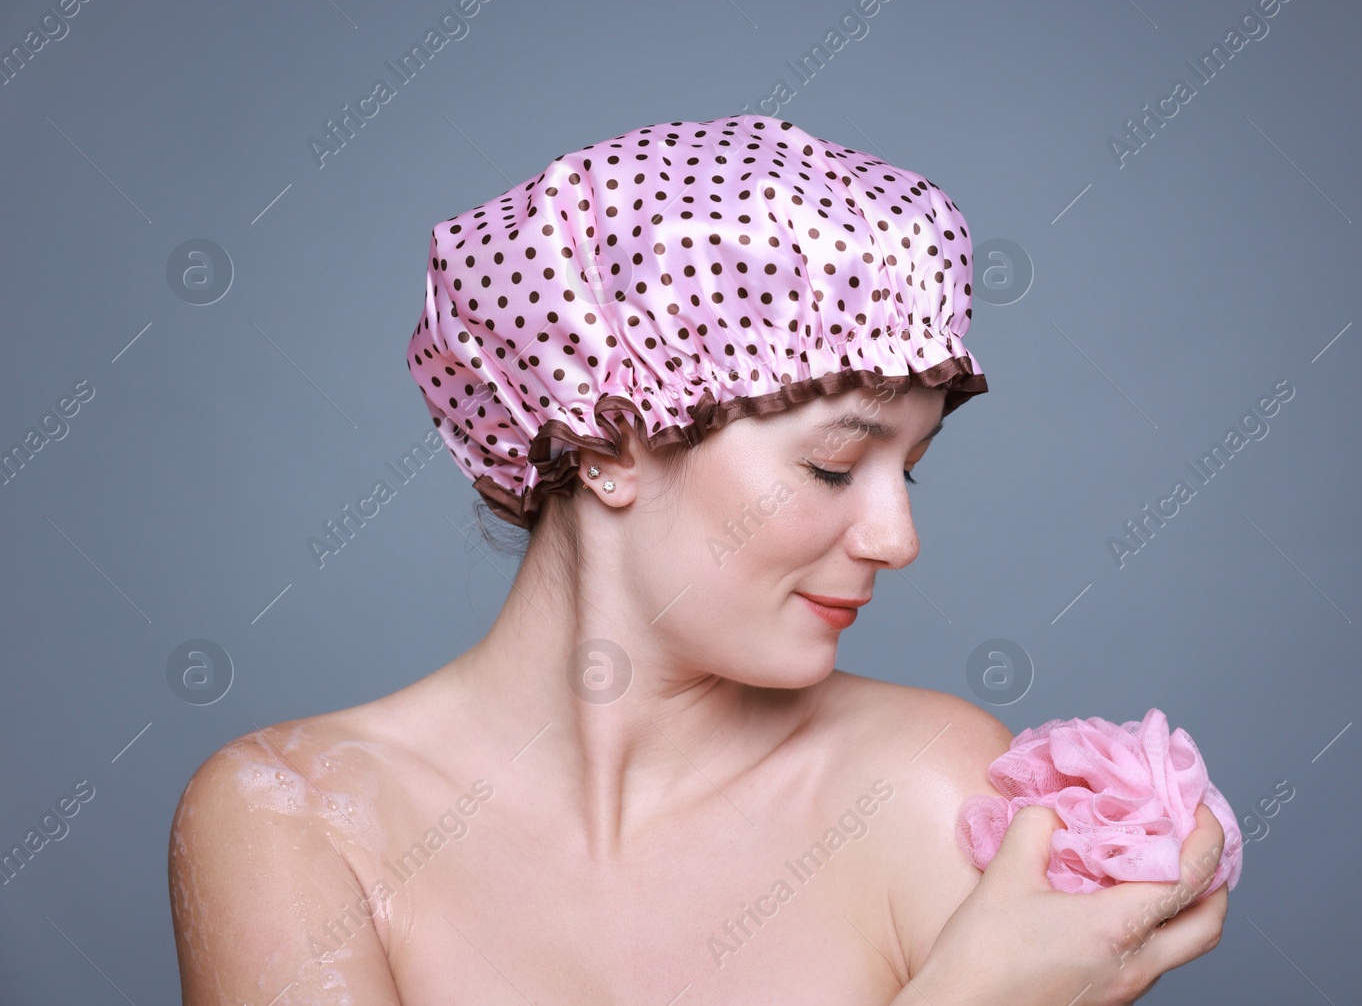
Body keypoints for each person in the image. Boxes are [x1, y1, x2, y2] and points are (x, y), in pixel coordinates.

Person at [167, 114, 1229, 1004]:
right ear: (611, 440)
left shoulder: (927, 785)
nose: (898, 540)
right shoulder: (294, 816)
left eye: (911, 469)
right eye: (832, 464)